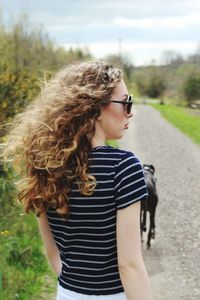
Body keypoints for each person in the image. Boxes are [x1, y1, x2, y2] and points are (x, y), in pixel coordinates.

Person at [2, 60, 152, 300]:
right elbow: (129, 265)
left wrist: (77, 289)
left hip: (67, 294)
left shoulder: (45, 165)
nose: (130, 112)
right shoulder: (123, 167)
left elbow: (53, 251)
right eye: (125, 103)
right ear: (95, 108)